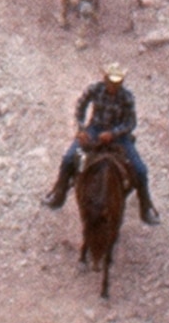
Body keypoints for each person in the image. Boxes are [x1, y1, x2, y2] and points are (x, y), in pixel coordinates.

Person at [45, 64, 157, 224]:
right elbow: (80, 107)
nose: (114, 86)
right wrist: (82, 128)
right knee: (69, 158)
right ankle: (59, 194)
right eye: (112, 82)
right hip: (94, 129)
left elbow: (131, 122)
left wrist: (114, 133)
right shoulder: (95, 89)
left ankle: (145, 208)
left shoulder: (127, 97)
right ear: (105, 79)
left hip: (118, 136)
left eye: (118, 83)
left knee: (140, 170)